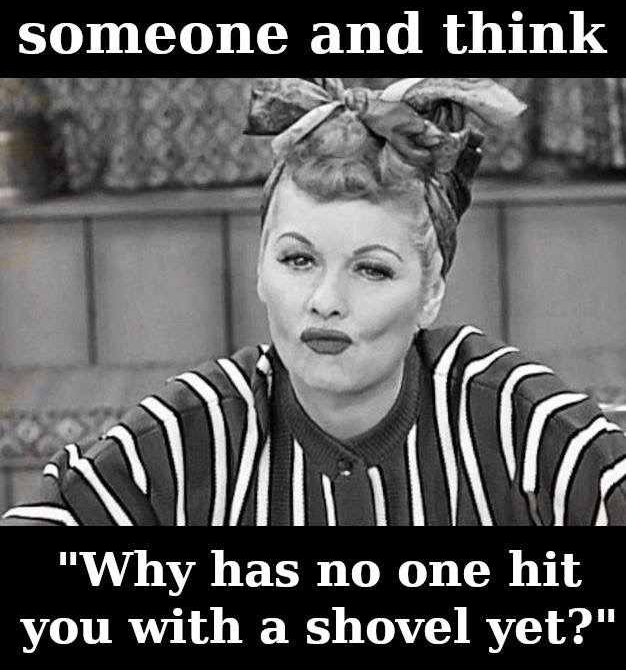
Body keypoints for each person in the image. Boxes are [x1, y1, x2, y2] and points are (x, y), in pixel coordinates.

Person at [2, 77, 626, 526]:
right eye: (298, 260)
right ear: (260, 269)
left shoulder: (516, 417)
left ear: (431, 291)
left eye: (372, 270)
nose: (326, 301)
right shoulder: (189, 432)